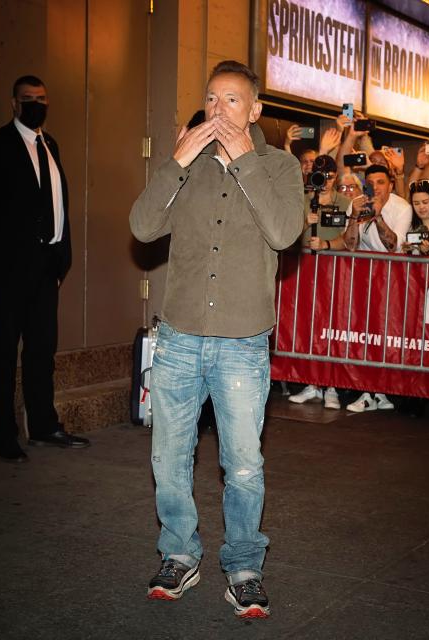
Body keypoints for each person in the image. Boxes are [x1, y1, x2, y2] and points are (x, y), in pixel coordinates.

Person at [128, 60, 303, 618]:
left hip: (242, 342)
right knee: (169, 457)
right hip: (178, 336)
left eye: (233, 100)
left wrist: (245, 161)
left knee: (244, 463)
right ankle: (179, 553)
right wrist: (175, 162)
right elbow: (141, 227)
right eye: (212, 99)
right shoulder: (187, 163)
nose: (219, 109)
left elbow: (283, 232)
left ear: (254, 112)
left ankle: (245, 565)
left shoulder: (279, 168)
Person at [0, 75, 89, 463]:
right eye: (28, 99)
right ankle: (1, 432)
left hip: (46, 269)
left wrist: (63, 257)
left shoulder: (51, 145)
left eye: (41, 98)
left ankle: (44, 425)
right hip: (8, 268)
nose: (35, 104)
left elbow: (56, 203)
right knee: (2, 350)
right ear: (14, 103)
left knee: (42, 350)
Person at [341, 164, 412, 412]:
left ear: (390, 185)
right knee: (364, 333)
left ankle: (379, 390)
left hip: (393, 279)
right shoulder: (357, 203)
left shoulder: (402, 207)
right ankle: (368, 391)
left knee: (385, 335)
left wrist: (378, 216)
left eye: (381, 182)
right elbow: (350, 245)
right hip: (363, 277)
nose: (376, 188)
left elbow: (394, 246)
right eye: (371, 183)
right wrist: (353, 216)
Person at [289, 154, 352, 410]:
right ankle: (311, 383)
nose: (325, 181)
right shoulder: (303, 201)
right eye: (321, 176)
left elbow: (350, 239)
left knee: (333, 328)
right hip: (306, 273)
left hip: (335, 273)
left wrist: (326, 244)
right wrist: (306, 223)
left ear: (336, 177)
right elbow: (287, 235)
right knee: (308, 327)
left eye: (330, 176)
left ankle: (332, 386)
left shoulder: (346, 202)